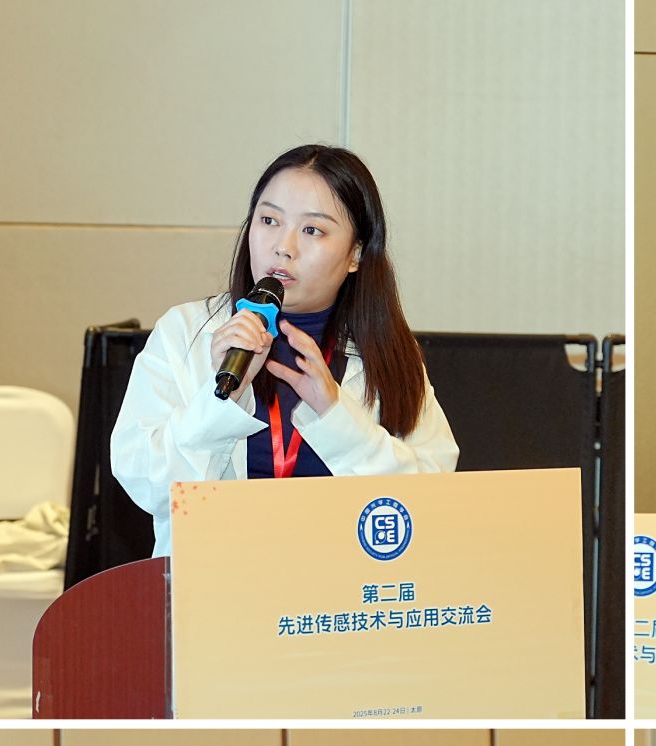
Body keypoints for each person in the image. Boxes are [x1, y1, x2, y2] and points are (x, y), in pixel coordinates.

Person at [110, 144, 458, 556]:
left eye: (312, 230)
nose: (283, 246)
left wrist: (338, 417)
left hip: (341, 588)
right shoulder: (185, 332)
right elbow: (144, 483)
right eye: (269, 220)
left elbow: (434, 502)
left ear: (356, 254)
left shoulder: (388, 351)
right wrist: (221, 399)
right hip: (216, 582)